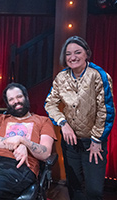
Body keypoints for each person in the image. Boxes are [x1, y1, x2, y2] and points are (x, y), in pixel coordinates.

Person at [45, 36, 115, 200]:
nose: (73, 57)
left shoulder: (99, 75)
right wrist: (63, 123)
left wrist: (97, 140)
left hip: (93, 142)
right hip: (70, 141)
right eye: (68, 54)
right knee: (74, 186)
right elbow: (50, 103)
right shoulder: (61, 78)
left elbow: (106, 110)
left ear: (86, 54)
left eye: (78, 52)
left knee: (94, 191)